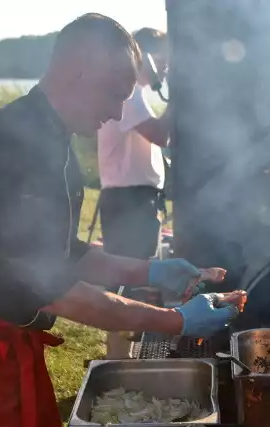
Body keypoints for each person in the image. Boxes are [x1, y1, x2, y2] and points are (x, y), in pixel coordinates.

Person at [0, 14, 238, 427]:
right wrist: (176, 321)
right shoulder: (8, 142)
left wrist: (149, 269)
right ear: (78, 70)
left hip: (8, 344)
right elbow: (53, 288)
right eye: (115, 95)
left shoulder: (54, 143)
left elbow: (65, 253)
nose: (118, 114)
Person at [96, 27, 171, 359]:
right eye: (163, 58)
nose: (167, 67)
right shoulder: (132, 96)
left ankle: (122, 359)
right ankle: (117, 363)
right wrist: (181, 96)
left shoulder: (137, 96)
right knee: (130, 284)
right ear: (147, 58)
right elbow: (161, 134)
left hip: (136, 199)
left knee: (134, 283)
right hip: (130, 201)